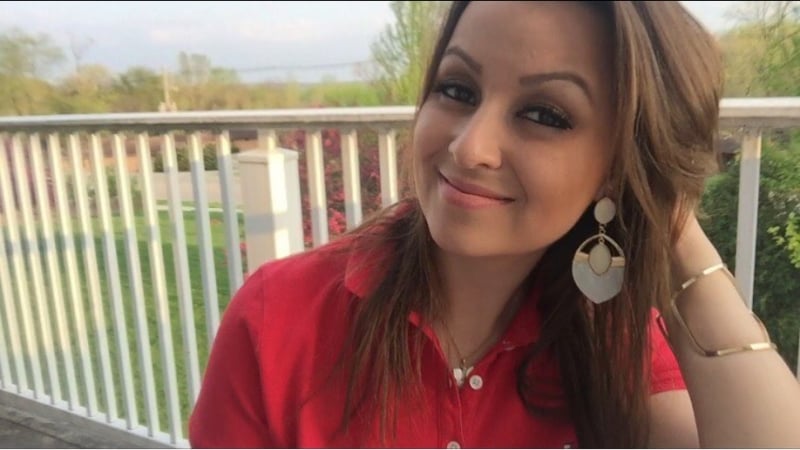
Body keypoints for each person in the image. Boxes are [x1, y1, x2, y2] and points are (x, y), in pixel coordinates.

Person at [188, 1, 800, 448]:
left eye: (544, 114)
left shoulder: (611, 330)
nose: (469, 147)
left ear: (618, 165)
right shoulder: (279, 317)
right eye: (457, 89)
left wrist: (674, 230)